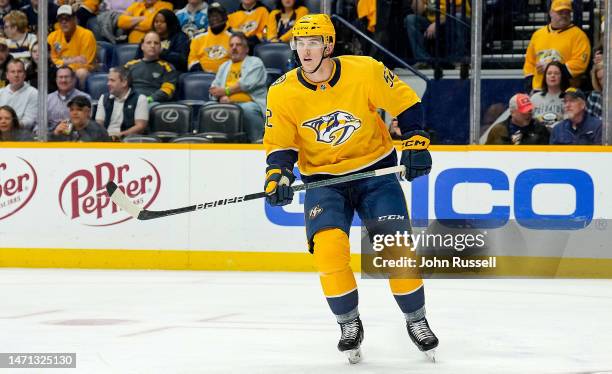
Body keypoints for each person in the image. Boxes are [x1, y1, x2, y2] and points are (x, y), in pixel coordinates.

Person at [263, 14, 437, 363]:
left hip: (376, 173)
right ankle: (349, 324)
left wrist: (416, 140)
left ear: (328, 45)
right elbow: (280, 145)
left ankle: (416, 320)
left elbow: (407, 102)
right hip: (324, 182)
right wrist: (277, 175)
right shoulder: (281, 91)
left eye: (314, 42)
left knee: (396, 250)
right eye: (300, 42)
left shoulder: (365, 71)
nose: (305, 49)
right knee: (328, 252)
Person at [209, 32, 266, 143]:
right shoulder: (224, 66)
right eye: (231, 45)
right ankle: (213, 144)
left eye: (238, 45)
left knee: (248, 109)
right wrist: (221, 98)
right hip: (224, 103)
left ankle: (257, 141)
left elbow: (246, 84)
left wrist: (225, 91)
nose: (234, 48)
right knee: (208, 107)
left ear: (246, 49)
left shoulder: (255, 62)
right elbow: (213, 89)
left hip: (249, 103)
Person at [523, 0, 590, 92]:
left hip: (565, 91)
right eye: (560, 12)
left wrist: (551, 67)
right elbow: (529, 62)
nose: (564, 15)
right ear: (551, 13)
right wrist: (530, 83)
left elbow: (579, 64)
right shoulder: (538, 34)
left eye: (567, 12)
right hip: (538, 90)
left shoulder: (579, 36)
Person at [404, 0, 471, 67]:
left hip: (454, 20)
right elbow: (418, 12)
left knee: (458, 16)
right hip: (432, 23)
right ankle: (424, 60)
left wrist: (437, 23)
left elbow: (459, 10)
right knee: (411, 19)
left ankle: (456, 59)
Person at [47, 5, 97, 89]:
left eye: (67, 19)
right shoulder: (52, 36)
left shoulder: (87, 35)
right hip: (58, 71)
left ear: (75, 19)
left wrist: (62, 64)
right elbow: (50, 60)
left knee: (81, 73)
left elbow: (85, 63)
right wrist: (71, 61)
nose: (63, 22)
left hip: (79, 71)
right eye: (60, 19)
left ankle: (80, 98)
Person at [96, 66, 149, 140]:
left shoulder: (140, 99)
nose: (108, 83)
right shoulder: (104, 98)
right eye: (108, 80)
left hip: (129, 141)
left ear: (124, 82)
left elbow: (140, 127)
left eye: (112, 80)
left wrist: (118, 136)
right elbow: (99, 124)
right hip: (106, 140)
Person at [125, 31, 178, 103]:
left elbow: (168, 90)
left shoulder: (167, 68)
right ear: (142, 46)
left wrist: (149, 99)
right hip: (130, 101)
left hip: (152, 103)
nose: (152, 46)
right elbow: (120, 84)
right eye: (149, 42)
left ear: (160, 47)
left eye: (156, 43)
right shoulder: (129, 65)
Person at [486, 94, 550, 145]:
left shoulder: (539, 128)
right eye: (524, 112)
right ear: (512, 112)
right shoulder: (497, 131)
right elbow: (486, 154)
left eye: (530, 111)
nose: (528, 114)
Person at [188, 2, 231, 73]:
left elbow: (238, 61)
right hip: (201, 76)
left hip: (226, 77)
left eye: (218, 15)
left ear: (225, 18)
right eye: (211, 15)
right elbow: (192, 60)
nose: (214, 18)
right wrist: (202, 72)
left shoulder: (233, 38)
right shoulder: (198, 38)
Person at [47, 66, 91, 131]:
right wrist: (54, 131)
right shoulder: (48, 99)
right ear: (56, 80)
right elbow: (39, 125)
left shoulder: (85, 98)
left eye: (66, 77)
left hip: (77, 137)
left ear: (74, 79)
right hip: (52, 137)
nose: (63, 80)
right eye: (60, 77)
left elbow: (87, 123)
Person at [0, 59, 37, 130]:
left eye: (19, 71)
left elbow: (30, 120)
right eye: (12, 72)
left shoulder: (34, 93)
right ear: (7, 75)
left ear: (24, 75)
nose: (16, 75)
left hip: (22, 136)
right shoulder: (0, 92)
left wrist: (11, 125)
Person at [530, 61, 568, 129]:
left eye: (556, 73)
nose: (552, 76)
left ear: (562, 76)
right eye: (549, 73)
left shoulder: (568, 99)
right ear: (545, 77)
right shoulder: (535, 98)